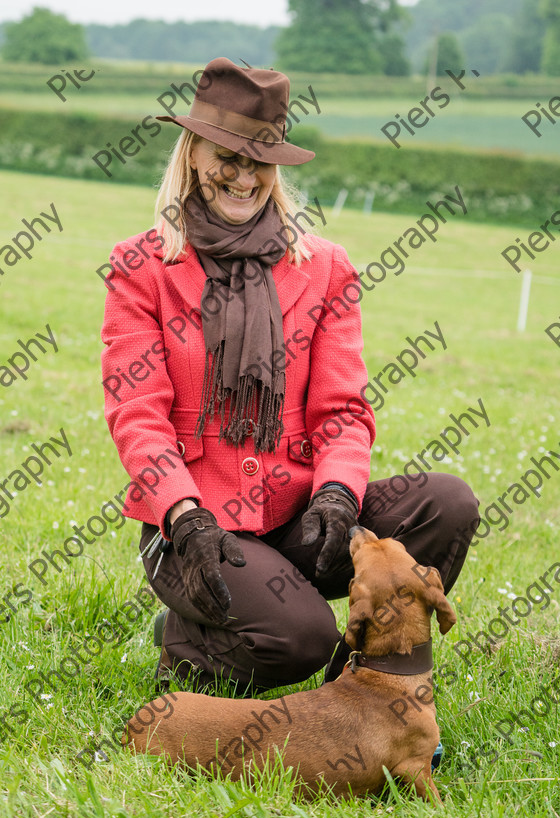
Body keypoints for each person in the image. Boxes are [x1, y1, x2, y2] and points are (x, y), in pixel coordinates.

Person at [100, 57, 479, 697]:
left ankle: (376, 667)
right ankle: (187, 637)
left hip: (298, 515)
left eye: (261, 160)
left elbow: (343, 412)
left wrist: (336, 494)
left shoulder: (326, 267)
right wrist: (183, 513)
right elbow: (137, 413)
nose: (244, 176)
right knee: (302, 642)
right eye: (228, 155)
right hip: (196, 532)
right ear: (193, 152)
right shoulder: (141, 266)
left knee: (447, 504)